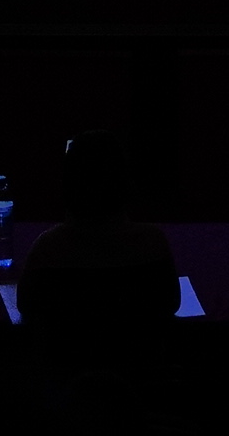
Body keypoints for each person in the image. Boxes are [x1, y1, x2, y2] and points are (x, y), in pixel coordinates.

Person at [18, 131, 181, 329]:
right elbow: (172, 303)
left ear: (68, 185)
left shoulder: (48, 247)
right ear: (126, 183)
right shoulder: (152, 242)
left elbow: (25, 305)